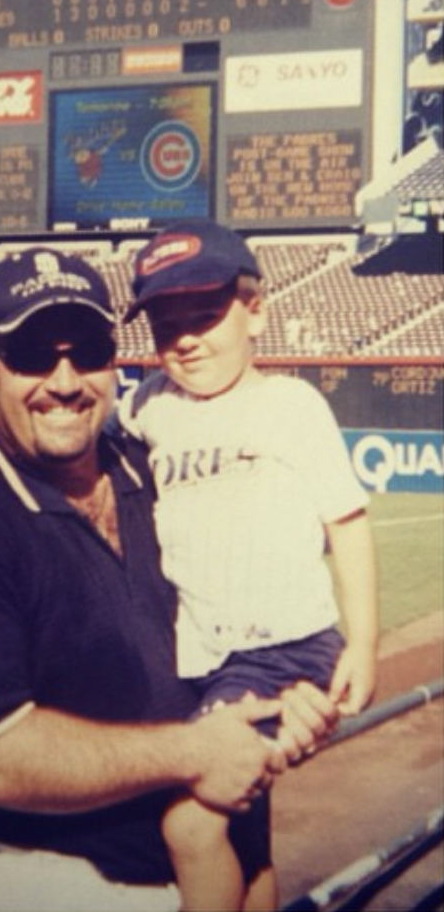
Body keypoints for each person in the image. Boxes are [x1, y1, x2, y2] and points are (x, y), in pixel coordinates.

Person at [0, 246, 339, 912]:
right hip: (37, 887)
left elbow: (259, 598)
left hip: (208, 872)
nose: (64, 381)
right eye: (34, 353)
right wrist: (193, 752)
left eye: (89, 350)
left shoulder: (162, 476)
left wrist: (290, 692)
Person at [118, 218, 379, 912]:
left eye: (204, 315)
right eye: (164, 324)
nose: (184, 339)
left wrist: (363, 644)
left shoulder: (289, 406)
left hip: (280, 646)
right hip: (201, 653)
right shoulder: (149, 406)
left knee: (190, 819)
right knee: (244, 830)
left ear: (255, 311)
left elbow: (346, 525)